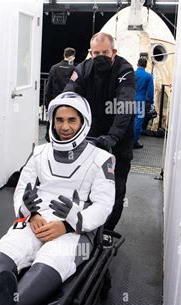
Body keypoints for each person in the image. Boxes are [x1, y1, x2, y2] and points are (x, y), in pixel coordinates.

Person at [0, 92, 115, 305]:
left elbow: (103, 206)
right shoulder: (40, 153)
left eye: (72, 120)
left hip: (75, 229)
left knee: (53, 256)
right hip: (36, 221)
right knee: (12, 245)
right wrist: (31, 214)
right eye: (59, 120)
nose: (65, 126)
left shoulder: (101, 159)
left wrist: (69, 224)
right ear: (52, 121)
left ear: (83, 122)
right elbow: (22, 190)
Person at [64, 32, 135, 232]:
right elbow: (68, 96)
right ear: (90, 53)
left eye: (105, 52)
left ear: (114, 52)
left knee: (116, 188)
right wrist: (61, 127)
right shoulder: (82, 69)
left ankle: (107, 231)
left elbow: (125, 103)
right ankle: (82, 225)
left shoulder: (125, 70)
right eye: (96, 53)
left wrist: (113, 136)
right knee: (83, 183)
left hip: (118, 140)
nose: (101, 56)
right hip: (90, 137)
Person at [44, 47, 76, 141]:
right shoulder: (74, 69)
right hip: (69, 102)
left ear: (64, 55)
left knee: (53, 120)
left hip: (55, 100)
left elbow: (48, 88)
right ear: (73, 57)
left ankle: (50, 139)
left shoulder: (54, 68)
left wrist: (47, 104)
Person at [133, 57, 155, 149]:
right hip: (141, 101)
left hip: (130, 99)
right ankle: (134, 142)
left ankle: (126, 140)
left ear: (137, 64)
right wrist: (151, 101)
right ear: (146, 65)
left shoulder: (132, 74)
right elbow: (150, 91)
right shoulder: (148, 76)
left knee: (129, 120)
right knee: (138, 121)